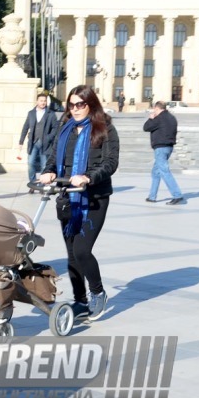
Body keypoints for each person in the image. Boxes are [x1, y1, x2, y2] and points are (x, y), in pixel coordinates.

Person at [39, 85, 118, 321]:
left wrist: (89, 177)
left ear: (90, 104)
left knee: (82, 250)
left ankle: (98, 293)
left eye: (80, 104)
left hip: (94, 198)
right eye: (71, 105)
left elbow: (111, 162)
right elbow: (54, 159)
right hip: (67, 196)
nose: (75, 109)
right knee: (71, 254)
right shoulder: (65, 130)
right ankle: (80, 301)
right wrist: (48, 172)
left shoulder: (105, 129)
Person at [143, 101, 183, 205]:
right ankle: (152, 196)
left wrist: (150, 118)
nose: (153, 111)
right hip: (169, 147)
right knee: (156, 172)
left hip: (160, 147)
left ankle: (177, 195)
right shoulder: (172, 118)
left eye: (154, 109)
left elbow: (146, 127)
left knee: (164, 171)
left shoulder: (159, 118)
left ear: (156, 108)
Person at [19, 93, 58, 193]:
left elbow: (55, 128)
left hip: (45, 144)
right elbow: (25, 127)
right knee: (31, 163)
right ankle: (33, 184)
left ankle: (41, 185)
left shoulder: (51, 114)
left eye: (44, 101)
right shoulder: (31, 113)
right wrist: (21, 141)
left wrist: (49, 137)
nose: (43, 103)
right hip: (33, 143)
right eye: (41, 101)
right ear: (37, 101)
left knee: (44, 165)